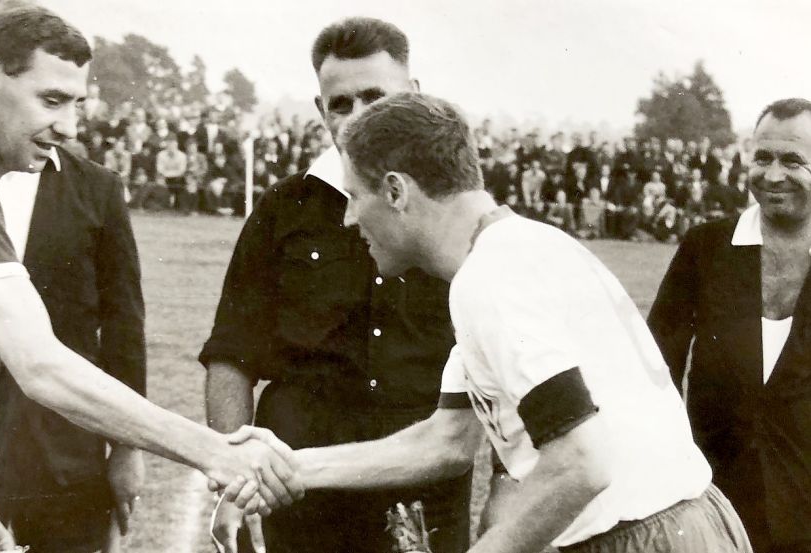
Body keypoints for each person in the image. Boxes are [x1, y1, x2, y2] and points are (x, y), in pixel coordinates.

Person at [0, 7, 299, 553]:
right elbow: (41, 366)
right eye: (50, 100)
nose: (70, 126)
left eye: (76, 103)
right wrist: (213, 450)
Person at [228, 92, 753, 553]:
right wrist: (296, 467)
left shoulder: (493, 276)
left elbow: (582, 462)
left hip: (643, 537)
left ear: (395, 191)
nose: (348, 217)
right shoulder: (514, 249)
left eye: (355, 196)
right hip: (682, 522)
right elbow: (446, 441)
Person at [203, 18, 470, 553]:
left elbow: (503, 374)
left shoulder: (456, 213)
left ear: (413, 95)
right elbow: (232, 354)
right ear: (321, 111)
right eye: (340, 103)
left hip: (419, 486)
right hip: (297, 487)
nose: (358, 117)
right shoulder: (283, 209)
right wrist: (234, 474)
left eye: (375, 96)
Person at [0, 3, 147, 551]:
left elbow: (123, 325)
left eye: (73, 103)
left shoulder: (97, 190)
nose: (66, 123)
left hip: (65, 455)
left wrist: (127, 451)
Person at [648, 98, 811, 553]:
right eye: (763, 157)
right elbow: (656, 363)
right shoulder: (707, 247)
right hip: (714, 501)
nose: (773, 174)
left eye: (793, 160)